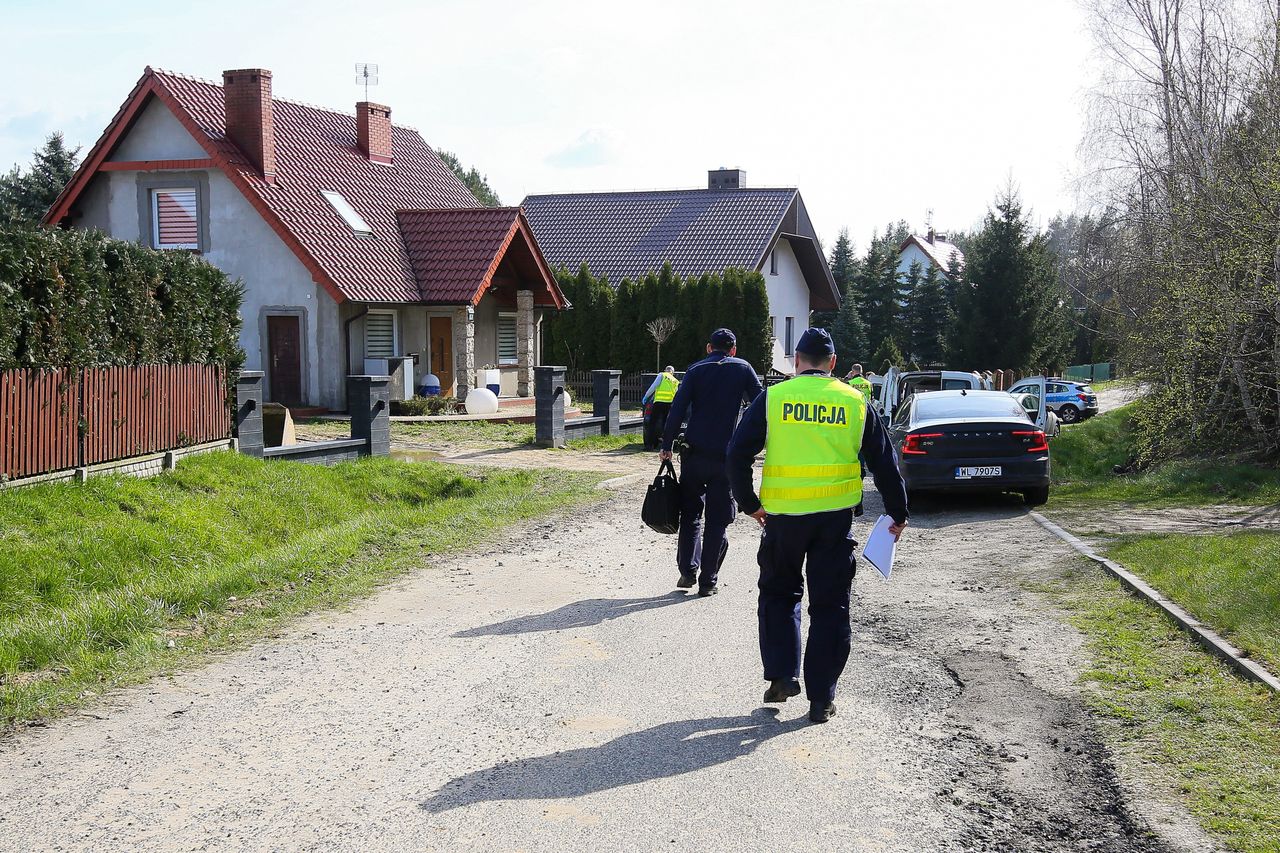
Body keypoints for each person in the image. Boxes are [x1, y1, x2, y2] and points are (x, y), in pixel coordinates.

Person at [727, 328, 908, 724]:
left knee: (779, 594)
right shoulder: (855, 401)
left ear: (796, 360)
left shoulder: (774, 398)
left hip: (782, 519)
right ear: (833, 364)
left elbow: (737, 453)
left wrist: (749, 504)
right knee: (830, 607)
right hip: (834, 520)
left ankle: (781, 675)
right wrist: (898, 512)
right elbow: (884, 462)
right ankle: (821, 699)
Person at [659, 329, 763, 597]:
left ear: (709, 348)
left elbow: (677, 409)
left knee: (690, 514)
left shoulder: (695, 370)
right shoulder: (743, 369)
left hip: (693, 454)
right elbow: (760, 405)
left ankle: (687, 570)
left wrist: (666, 445)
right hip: (726, 457)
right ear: (734, 349)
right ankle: (708, 581)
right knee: (717, 520)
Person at [641, 365, 679, 451]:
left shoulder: (662, 375)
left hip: (658, 403)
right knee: (666, 424)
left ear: (666, 370)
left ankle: (649, 446)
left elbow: (653, 387)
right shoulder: (675, 381)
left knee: (652, 423)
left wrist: (646, 396)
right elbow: (677, 394)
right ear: (673, 372)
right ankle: (665, 444)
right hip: (669, 404)